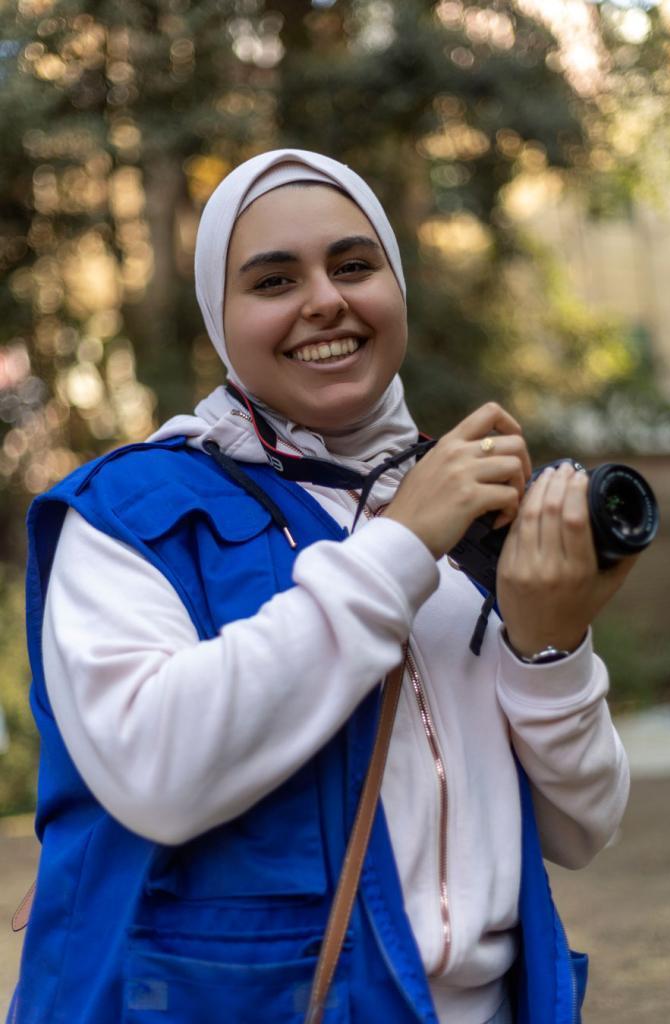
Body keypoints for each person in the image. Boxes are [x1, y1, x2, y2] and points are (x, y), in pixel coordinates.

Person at [10, 150, 632, 1024]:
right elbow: (158, 769)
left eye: (353, 265)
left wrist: (550, 647)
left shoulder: (467, 520)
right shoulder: (127, 513)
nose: (325, 300)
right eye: (273, 280)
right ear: (219, 323)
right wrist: (400, 546)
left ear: (395, 284)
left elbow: (581, 828)